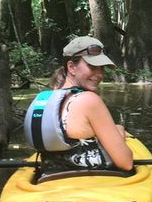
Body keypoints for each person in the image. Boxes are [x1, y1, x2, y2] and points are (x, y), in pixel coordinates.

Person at [24, 36, 133, 177]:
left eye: (102, 68)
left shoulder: (46, 99)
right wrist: (119, 132)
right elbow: (126, 162)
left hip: (49, 180)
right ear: (71, 67)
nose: (100, 74)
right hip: (95, 184)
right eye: (92, 66)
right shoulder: (89, 100)